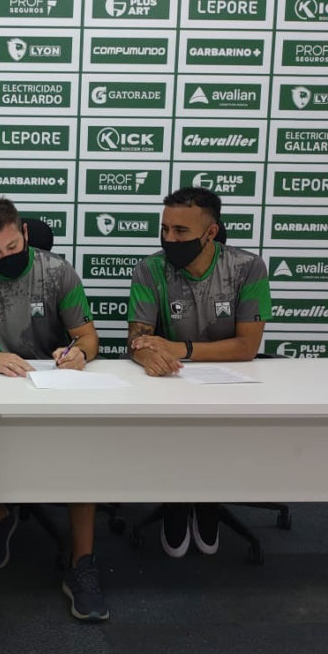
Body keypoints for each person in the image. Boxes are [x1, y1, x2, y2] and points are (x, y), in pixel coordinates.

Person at [0, 197, 108, 622]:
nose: (4, 258)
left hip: (54, 386)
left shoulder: (58, 272)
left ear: (26, 234)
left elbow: (88, 337)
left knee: (82, 455)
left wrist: (78, 354)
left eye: (12, 247)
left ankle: (82, 562)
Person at [127, 186, 272, 557]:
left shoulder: (247, 268)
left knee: (218, 443)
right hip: (170, 383)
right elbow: (138, 339)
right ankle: (177, 501)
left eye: (181, 231)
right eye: (165, 229)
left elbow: (246, 346)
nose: (169, 239)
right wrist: (147, 356)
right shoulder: (149, 269)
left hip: (230, 383)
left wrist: (182, 349)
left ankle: (209, 499)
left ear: (210, 232)